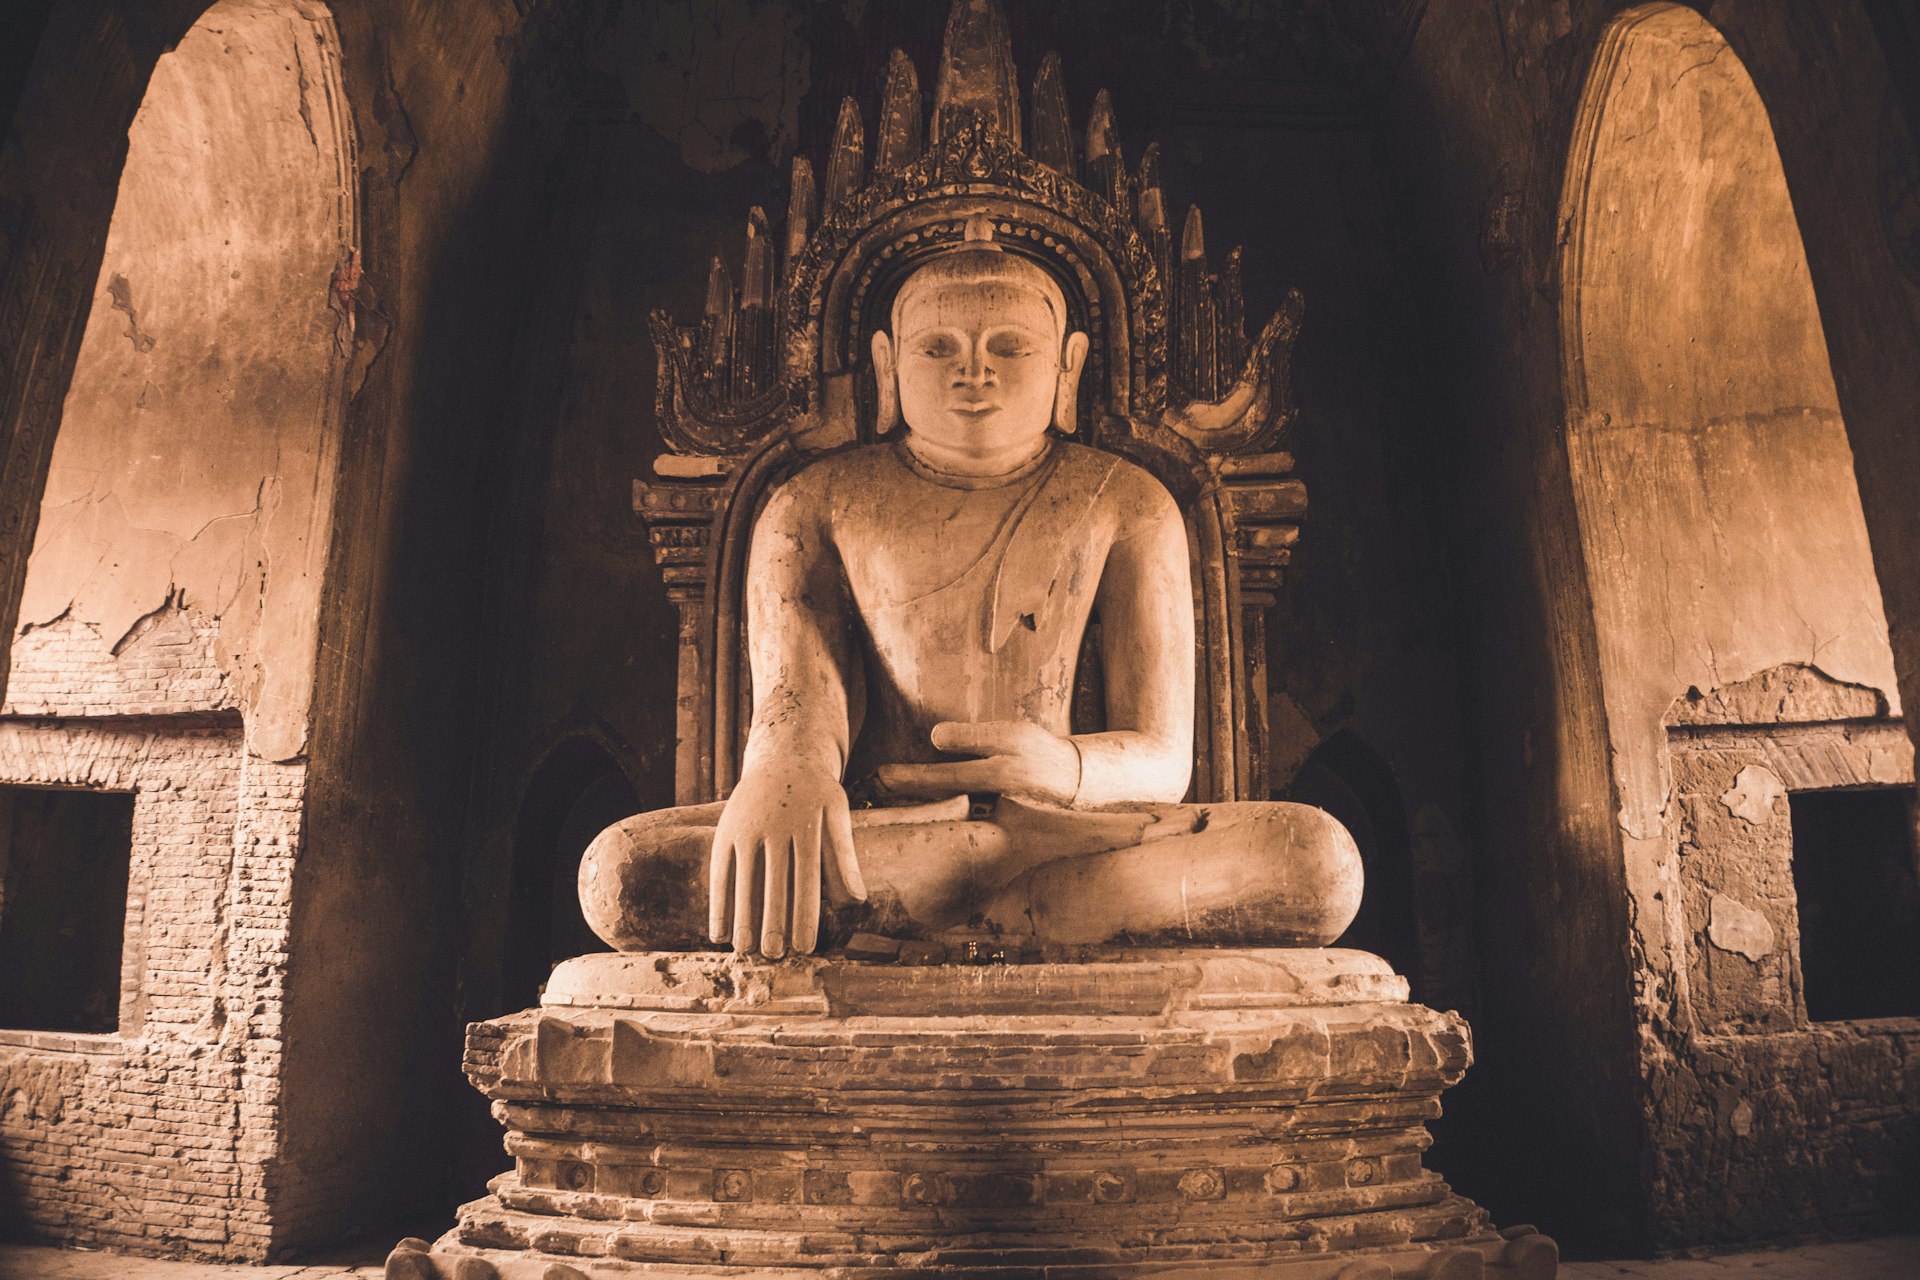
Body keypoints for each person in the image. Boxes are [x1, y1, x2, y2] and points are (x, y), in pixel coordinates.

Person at [581, 219, 1360, 959]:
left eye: (1009, 346)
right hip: (893, 836)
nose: (973, 371)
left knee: (1316, 862)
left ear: (1069, 367)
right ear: (887, 367)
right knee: (621, 874)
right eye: (939, 346)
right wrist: (786, 775)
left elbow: (1161, 757)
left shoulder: (1129, 501)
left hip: (1074, 833)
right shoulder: (813, 502)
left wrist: (1064, 770)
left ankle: (1000, 902)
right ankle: (1034, 908)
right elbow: (797, 699)